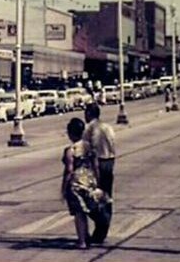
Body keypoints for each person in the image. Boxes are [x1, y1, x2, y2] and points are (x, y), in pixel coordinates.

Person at [62, 118, 111, 249]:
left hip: (76, 184)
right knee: (88, 210)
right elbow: (96, 166)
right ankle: (87, 236)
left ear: (70, 133)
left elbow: (69, 170)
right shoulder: (89, 147)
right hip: (89, 182)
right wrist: (97, 181)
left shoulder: (70, 150)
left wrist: (64, 187)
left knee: (79, 213)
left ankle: (82, 240)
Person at [82, 104, 116, 244]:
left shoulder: (90, 128)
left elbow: (92, 151)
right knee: (106, 197)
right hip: (109, 161)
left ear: (89, 113)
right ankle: (102, 231)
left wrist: (92, 170)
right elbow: (112, 146)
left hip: (97, 163)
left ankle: (101, 225)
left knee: (91, 198)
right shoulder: (107, 127)